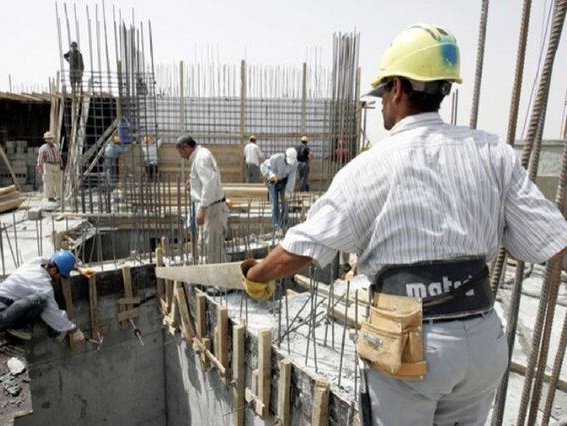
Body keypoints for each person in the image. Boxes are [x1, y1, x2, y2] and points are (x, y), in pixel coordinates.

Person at [241, 23, 567, 425]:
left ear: (397, 88)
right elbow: (550, 242)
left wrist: (257, 273)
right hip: (484, 341)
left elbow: (301, 249)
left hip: (410, 345)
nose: (381, 105)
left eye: (382, 94)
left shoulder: (371, 166)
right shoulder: (493, 153)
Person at [0, 251, 92, 342]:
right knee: (41, 300)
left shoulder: (35, 263)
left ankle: (24, 328)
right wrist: (73, 330)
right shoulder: (42, 284)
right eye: (61, 275)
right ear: (54, 271)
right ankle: (20, 328)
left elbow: (54, 260)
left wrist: (78, 269)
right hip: (0, 319)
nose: (60, 278)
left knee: (39, 301)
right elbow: (53, 313)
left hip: (2, 310)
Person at [175, 135, 228, 264]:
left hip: (212, 209)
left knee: (213, 250)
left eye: (180, 152)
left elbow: (209, 183)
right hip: (211, 207)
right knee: (207, 247)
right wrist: (193, 182)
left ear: (186, 148)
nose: (181, 156)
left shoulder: (200, 158)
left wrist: (202, 209)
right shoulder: (201, 155)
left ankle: (219, 283)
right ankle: (214, 282)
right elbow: (207, 179)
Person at [260, 147, 297, 236]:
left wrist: (288, 192)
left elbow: (292, 178)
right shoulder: (276, 158)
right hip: (273, 182)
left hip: (284, 182)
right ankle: (277, 227)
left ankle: (284, 225)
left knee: (285, 204)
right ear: (285, 156)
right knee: (275, 205)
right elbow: (263, 166)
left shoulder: (294, 163)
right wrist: (270, 174)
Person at [37, 131, 62, 202]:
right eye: (48, 138)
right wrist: (40, 167)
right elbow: (40, 158)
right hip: (48, 165)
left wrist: (61, 163)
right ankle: (50, 197)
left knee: (57, 181)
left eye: (51, 138)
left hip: (56, 164)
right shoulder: (43, 148)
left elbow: (58, 155)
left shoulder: (56, 146)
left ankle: (58, 195)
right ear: (46, 140)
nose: (50, 140)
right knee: (48, 181)